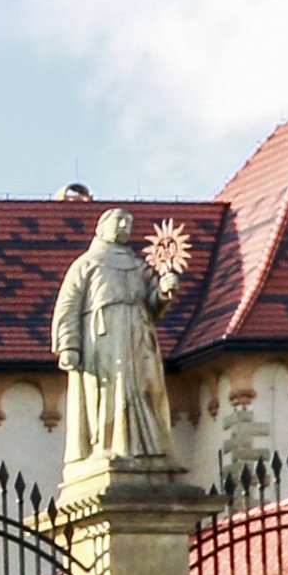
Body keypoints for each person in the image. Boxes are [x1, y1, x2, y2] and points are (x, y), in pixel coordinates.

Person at [49, 199, 175, 469]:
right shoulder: (87, 263)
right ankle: (105, 445)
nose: (124, 226)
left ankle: (144, 447)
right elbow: (68, 305)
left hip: (137, 332)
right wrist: (69, 344)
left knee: (144, 387)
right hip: (103, 335)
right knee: (107, 390)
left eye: (128, 222)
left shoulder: (137, 265)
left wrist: (165, 290)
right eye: (118, 221)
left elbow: (154, 302)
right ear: (102, 228)